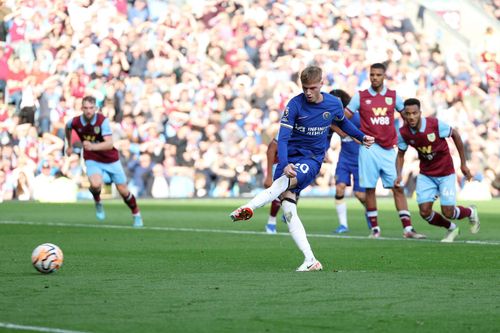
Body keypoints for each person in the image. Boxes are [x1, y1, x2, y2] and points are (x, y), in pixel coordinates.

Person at [230, 66, 374, 272]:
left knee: (285, 184)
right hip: (291, 158)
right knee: (288, 209)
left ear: (321, 85)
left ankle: (250, 207)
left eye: (312, 88)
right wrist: (286, 162)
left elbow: (344, 124)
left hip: (312, 158)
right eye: (305, 87)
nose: (308, 92)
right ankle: (310, 260)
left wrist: (361, 137)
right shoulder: (294, 104)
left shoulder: (333, 104)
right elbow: (283, 138)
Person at [346, 63, 425, 239]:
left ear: (384, 77)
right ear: (369, 76)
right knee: (369, 189)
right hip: (368, 148)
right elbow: (345, 116)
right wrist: (350, 134)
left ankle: (408, 229)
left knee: (397, 187)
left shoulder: (393, 96)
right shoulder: (360, 97)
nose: (375, 78)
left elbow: (408, 116)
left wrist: (412, 135)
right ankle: (375, 230)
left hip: (389, 149)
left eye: (378, 75)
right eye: (372, 75)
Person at [396, 98, 480, 242]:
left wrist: (463, 164)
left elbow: (456, 135)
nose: (411, 117)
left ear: (420, 113)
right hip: (426, 174)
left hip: (445, 173)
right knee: (424, 212)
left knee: (448, 211)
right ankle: (452, 228)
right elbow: (400, 155)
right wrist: (398, 175)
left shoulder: (434, 124)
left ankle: (470, 211)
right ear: (404, 115)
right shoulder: (403, 133)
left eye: (414, 113)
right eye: (408, 114)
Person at [65, 95, 143, 227]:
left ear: (95, 108)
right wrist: (69, 145)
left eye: (91, 108)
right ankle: (98, 202)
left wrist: (92, 146)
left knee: (123, 190)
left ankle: (136, 213)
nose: (88, 111)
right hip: (92, 158)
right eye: (85, 108)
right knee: (95, 185)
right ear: (81, 108)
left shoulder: (102, 121)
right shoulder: (76, 121)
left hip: (110, 159)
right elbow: (67, 127)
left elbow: (109, 143)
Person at [329, 89, 370, 234]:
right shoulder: (332, 119)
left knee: (360, 195)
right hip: (344, 159)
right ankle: (343, 225)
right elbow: (329, 126)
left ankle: (370, 212)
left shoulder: (356, 118)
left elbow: (367, 135)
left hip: (359, 159)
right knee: (339, 187)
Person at [263, 136, 282, 234]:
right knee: (279, 195)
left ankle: (288, 214)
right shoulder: (288, 125)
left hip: (297, 163)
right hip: (280, 165)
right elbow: (271, 148)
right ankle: (271, 222)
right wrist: (269, 176)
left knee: (295, 192)